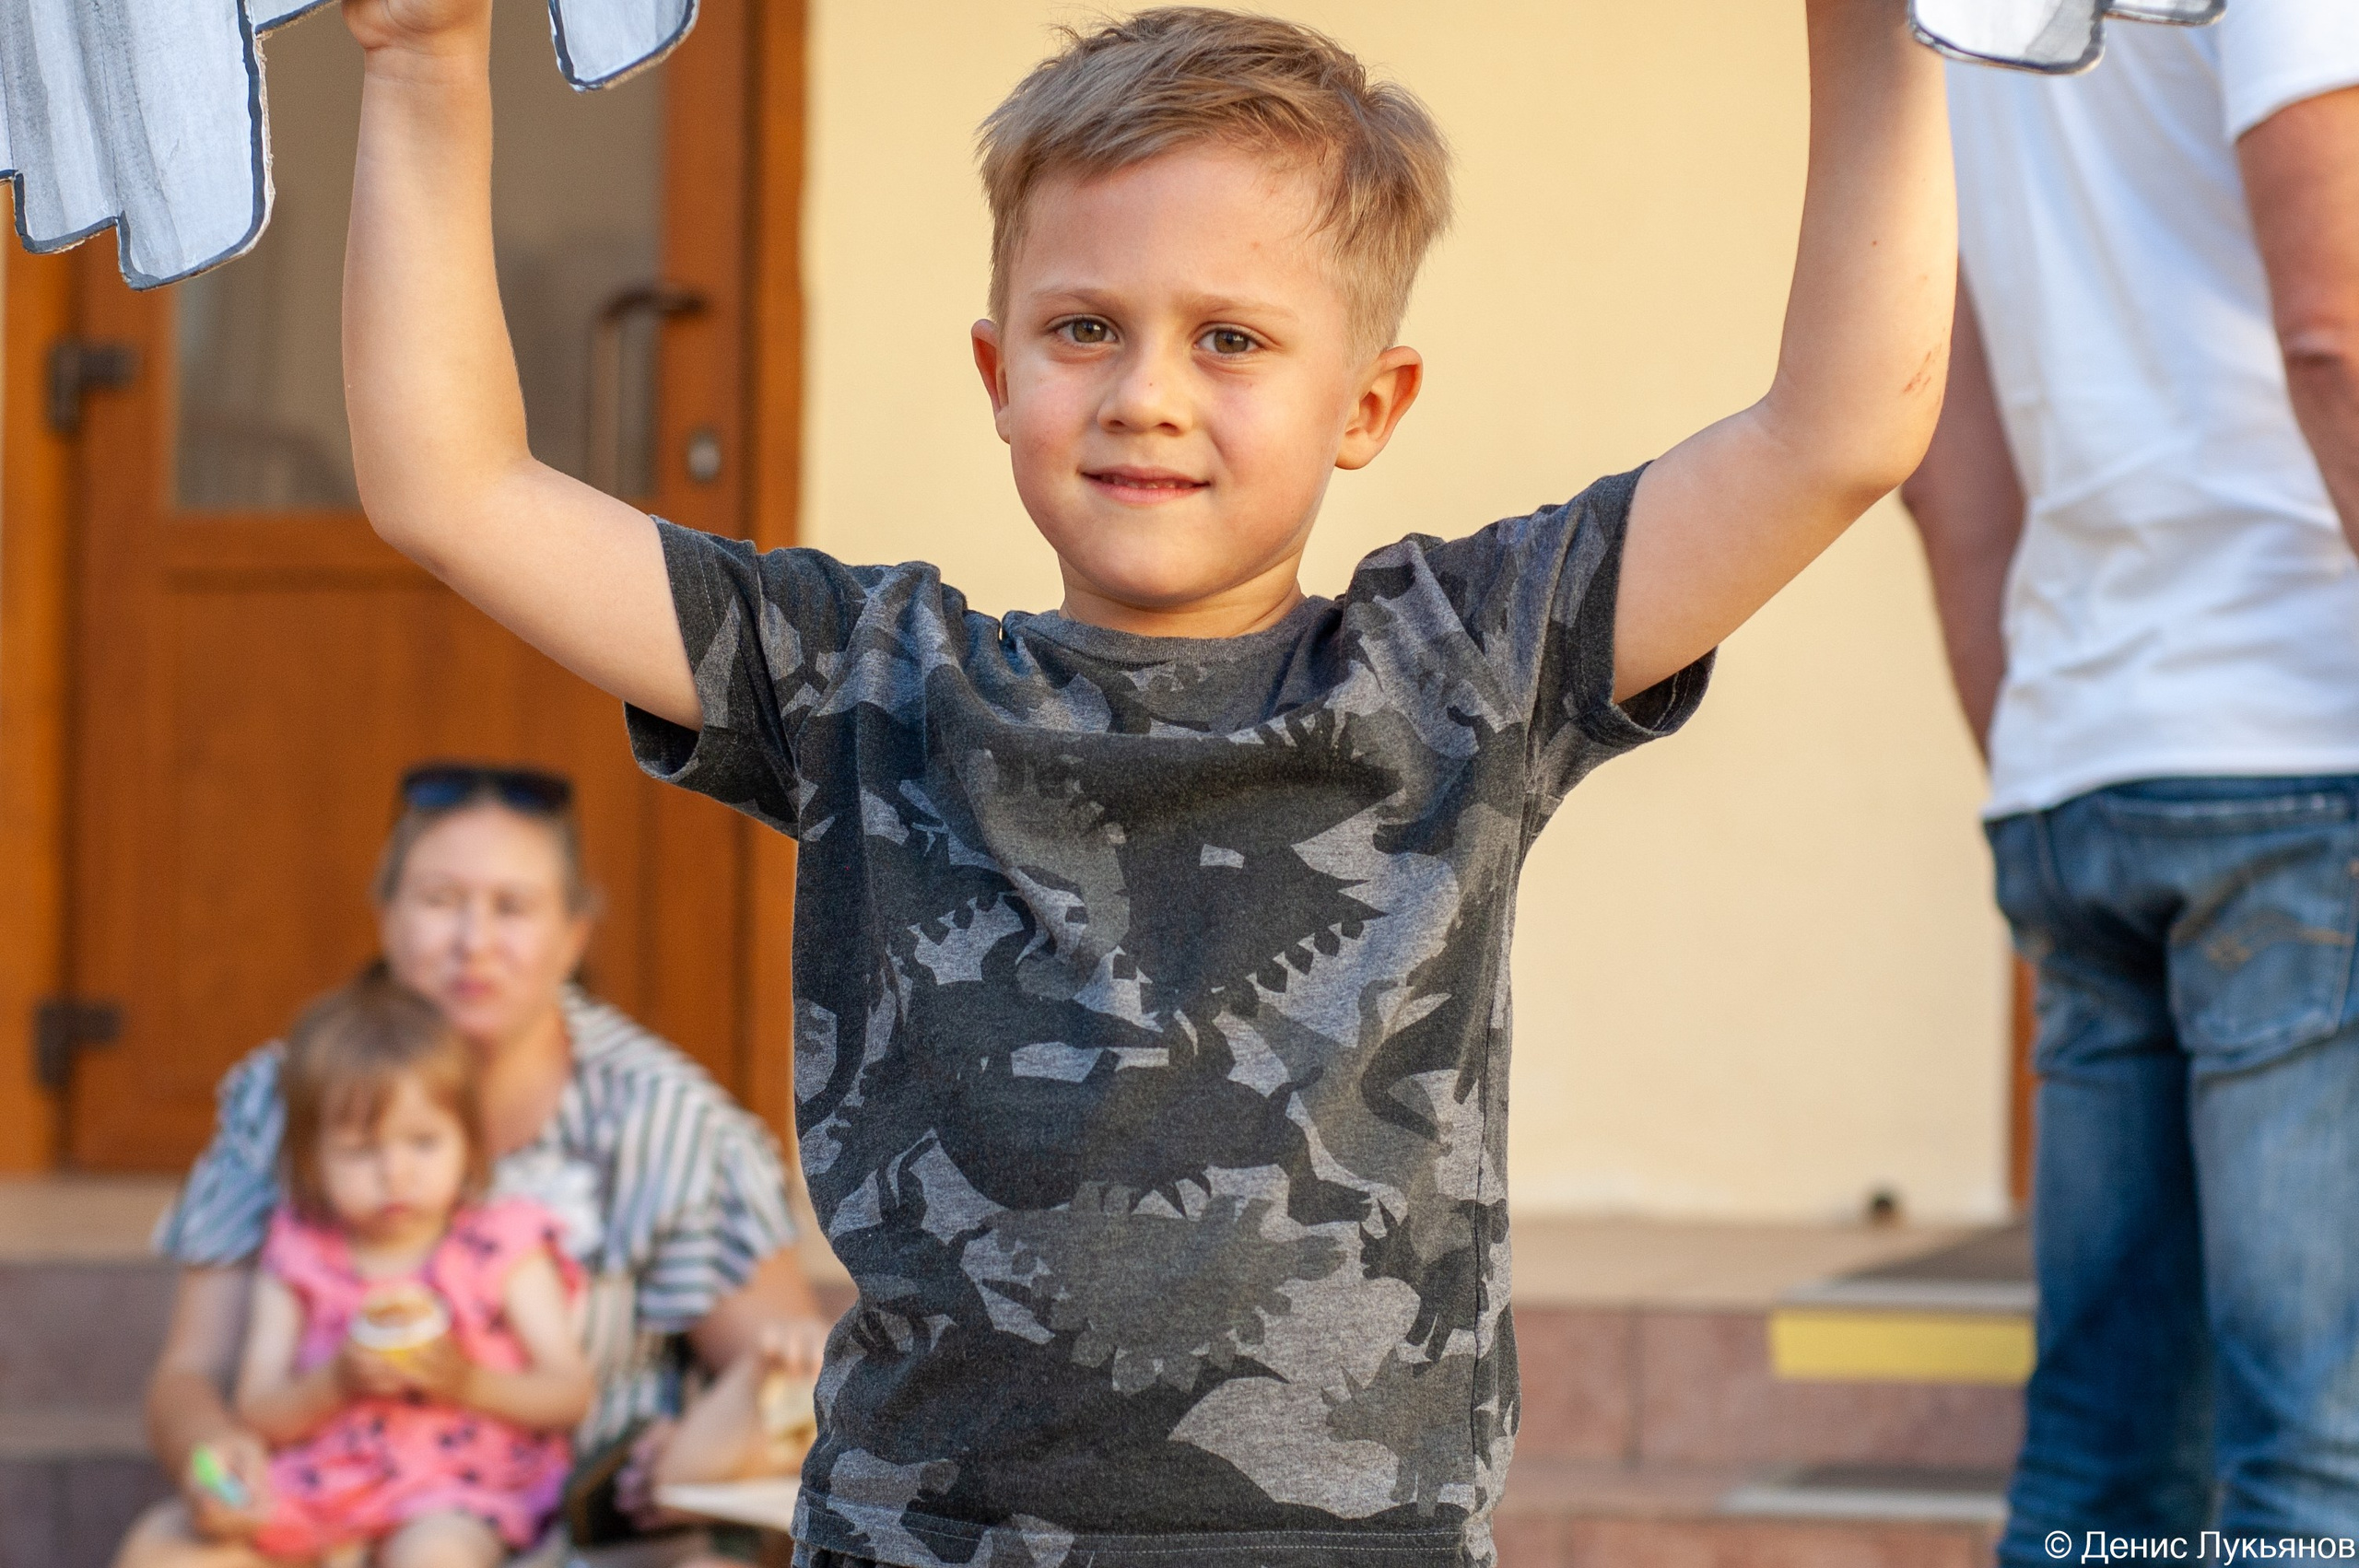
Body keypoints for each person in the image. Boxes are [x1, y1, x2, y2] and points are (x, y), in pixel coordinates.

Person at [337, 1, 1955, 1563]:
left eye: (1230, 338)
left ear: (1368, 404)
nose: (1146, 394)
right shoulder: (870, 684)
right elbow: (450, 486)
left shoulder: (1465, 666)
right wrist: (425, 61)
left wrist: (1877, 25)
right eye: (1084, 328)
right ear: (997, 371)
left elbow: (1839, 434)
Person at [1901, 5, 2359, 1559]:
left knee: (2104, 1458)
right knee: (2319, 1460)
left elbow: (1939, 441)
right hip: (2306, 746)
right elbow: (2337, 333)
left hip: (2083, 768)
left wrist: (2046, 736)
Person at [115, 765, 831, 1567]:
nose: (474, 942)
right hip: (320, 1499)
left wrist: (695, 1452)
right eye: (439, 900)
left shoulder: (668, 1121)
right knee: (165, 1554)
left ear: (574, 935)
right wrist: (211, 1460)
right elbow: (192, 1373)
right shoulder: (282, 1095)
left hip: (574, 1534)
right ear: (386, 915)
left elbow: (791, 1378)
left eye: (513, 907)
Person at [234, 972, 591, 1567]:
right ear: (310, 1161)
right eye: (360, 1151)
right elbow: (259, 1409)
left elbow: (569, 1394)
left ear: (468, 1142)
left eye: (423, 1143)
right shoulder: (300, 1251)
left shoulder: (500, 1244)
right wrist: (335, 1384)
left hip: (458, 1491)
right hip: (324, 1488)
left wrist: (465, 1382)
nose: (395, 1174)